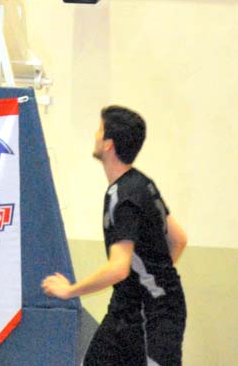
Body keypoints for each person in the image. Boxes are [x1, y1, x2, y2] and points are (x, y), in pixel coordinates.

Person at [42, 105, 188, 366]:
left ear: (109, 144)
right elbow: (178, 240)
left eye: (99, 130)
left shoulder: (124, 196)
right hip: (126, 308)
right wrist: (148, 278)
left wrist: (70, 291)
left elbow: (118, 268)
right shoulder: (142, 183)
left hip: (154, 314)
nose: (95, 135)